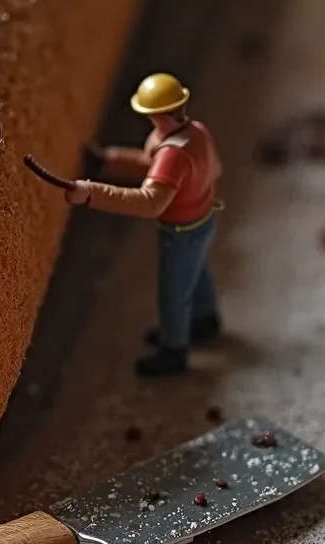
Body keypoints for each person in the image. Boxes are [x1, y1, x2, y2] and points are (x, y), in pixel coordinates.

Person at [64, 73, 223, 378]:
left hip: (181, 231)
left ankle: (174, 349)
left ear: (157, 114)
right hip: (204, 218)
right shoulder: (197, 133)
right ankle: (205, 322)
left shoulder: (171, 154)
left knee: (174, 294)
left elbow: (150, 201)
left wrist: (91, 194)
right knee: (198, 271)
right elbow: (205, 168)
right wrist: (109, 161)